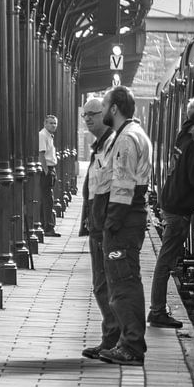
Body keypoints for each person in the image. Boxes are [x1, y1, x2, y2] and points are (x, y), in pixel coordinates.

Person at [148, 95, 194, 328]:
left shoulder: (186, 131)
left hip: (172, 202)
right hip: (178, 207)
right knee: (166, 261)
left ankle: (157, 309)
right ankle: (157, 310)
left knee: (166, 260)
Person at [96, 86, 153, 366]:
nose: (102, 110)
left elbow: (123, 185)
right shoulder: (130, 134)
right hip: (128, 217)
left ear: (114, 108)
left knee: (124, 282)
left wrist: (111, 222)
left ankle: (131, 346)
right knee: (121, 280)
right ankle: (120, 341)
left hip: (124, 219)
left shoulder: (127, 139)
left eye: (104, 105)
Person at [78, 98, 119, 359]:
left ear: (104, 114)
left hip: (105, 225)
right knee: (102, 284)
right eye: (85, 116)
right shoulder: (101, 145)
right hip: (98, 224)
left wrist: (106, 222)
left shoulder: (112, 144)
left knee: (106, 284)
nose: (88, 119)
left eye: (92, 114)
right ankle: (112, 336)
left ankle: (114, 337)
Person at [38, 114, 60, 237]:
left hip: (51, 168)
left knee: (47, 199)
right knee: (48, 199)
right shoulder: (42, 135)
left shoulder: (49, 136)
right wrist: (46, 170)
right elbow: (41, 154)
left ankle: (45, 225)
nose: (53, 125)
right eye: (50, 123)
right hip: (47, 169)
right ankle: (48, 227)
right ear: (45, 124)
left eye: (55, 123)